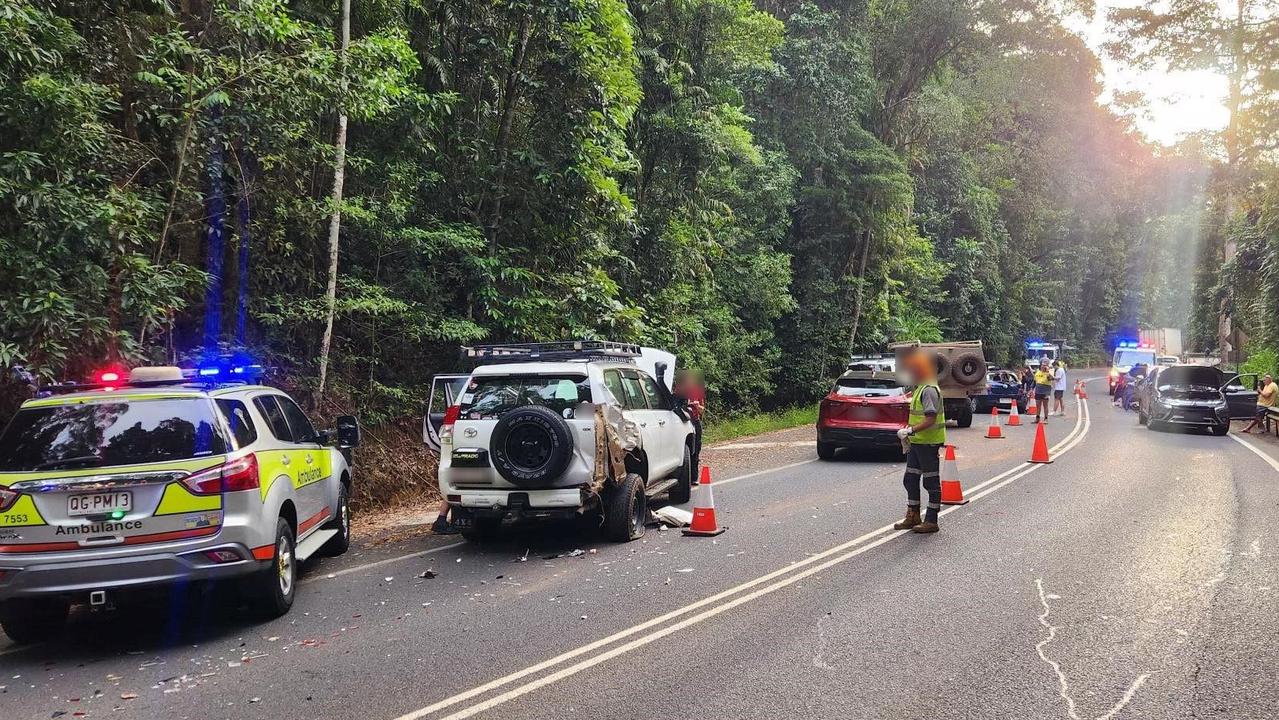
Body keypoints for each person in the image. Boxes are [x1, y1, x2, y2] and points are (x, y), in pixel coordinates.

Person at [893, 348, 946, 534]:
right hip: (917, 443)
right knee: (910, 479)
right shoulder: (919, 388)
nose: (910, 372)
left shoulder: (929, 390)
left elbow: (930, 418)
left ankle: (931, 520)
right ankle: (913, 515)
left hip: (927, 443)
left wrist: (910, 430)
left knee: (931, 482)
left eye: (914, 369)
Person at [674, 370, 706, 472]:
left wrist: (698, 406)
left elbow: (702, 410)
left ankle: (694, 475)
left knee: (696, 447)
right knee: (686, 449)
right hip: (683, 422)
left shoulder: (698, 391)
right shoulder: (677, 391)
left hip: (695, 420)